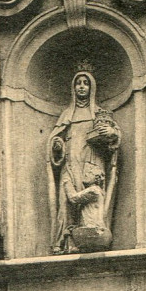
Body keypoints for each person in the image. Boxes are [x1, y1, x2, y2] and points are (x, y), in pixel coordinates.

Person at [47, 70, 121, 253]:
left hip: (92, 162)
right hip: (70, 164)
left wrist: (112, 134)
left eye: (85, 83)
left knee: (90, 203)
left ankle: (90, 238)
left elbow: (115, 138)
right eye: (78, 83)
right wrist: (57, 145)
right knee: (66, 202)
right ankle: (65, 242)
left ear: (91, 88)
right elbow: (55, 140)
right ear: (73, 88)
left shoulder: (99, 114)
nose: (81, 86)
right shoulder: (66, 115)